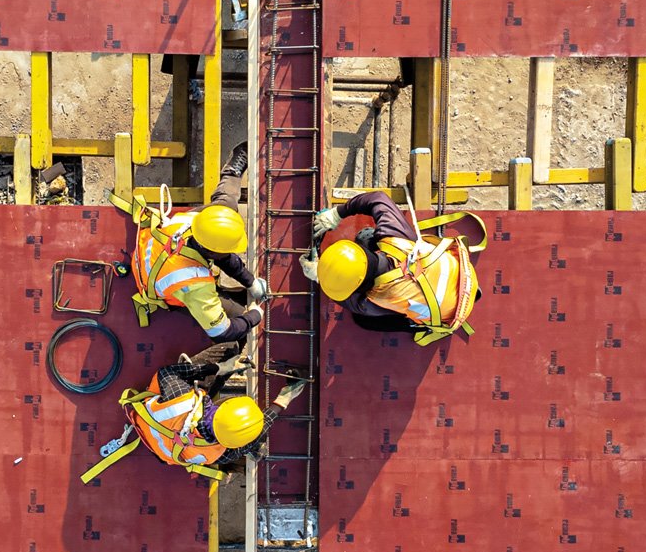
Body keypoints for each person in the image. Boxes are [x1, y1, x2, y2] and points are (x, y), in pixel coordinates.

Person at [116, 145, 268, 343]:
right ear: (212, 252)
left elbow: (220, 254)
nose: (232, 253)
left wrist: (249, 281)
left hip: (162, 253)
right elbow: (221, 332)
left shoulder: (195, 224)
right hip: (171, 283)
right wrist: (253, 316)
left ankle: (233, 171)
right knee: (237, 315)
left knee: (225, 208)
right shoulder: (196, 284)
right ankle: (238, 301)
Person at [301, 189, 488, 344]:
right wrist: (338, 213)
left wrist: (320, 275)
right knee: (366, 237)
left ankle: (415, 325)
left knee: (363, 321)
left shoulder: (375, 300)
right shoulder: (396, 240)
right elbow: (378, 198)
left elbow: (347, 301)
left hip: (449, 311)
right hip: (459, 275)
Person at [79, 342, 268, 483]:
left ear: (225, 403)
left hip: (155, 426)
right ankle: (251, 455)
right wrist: (282, 401)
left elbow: (167, 372)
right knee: (255, 443)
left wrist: (220, 368)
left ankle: (216, 367)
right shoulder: (220, 452)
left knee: (229, 350)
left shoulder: (182, 399)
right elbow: (256, 431)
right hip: (165, 450)